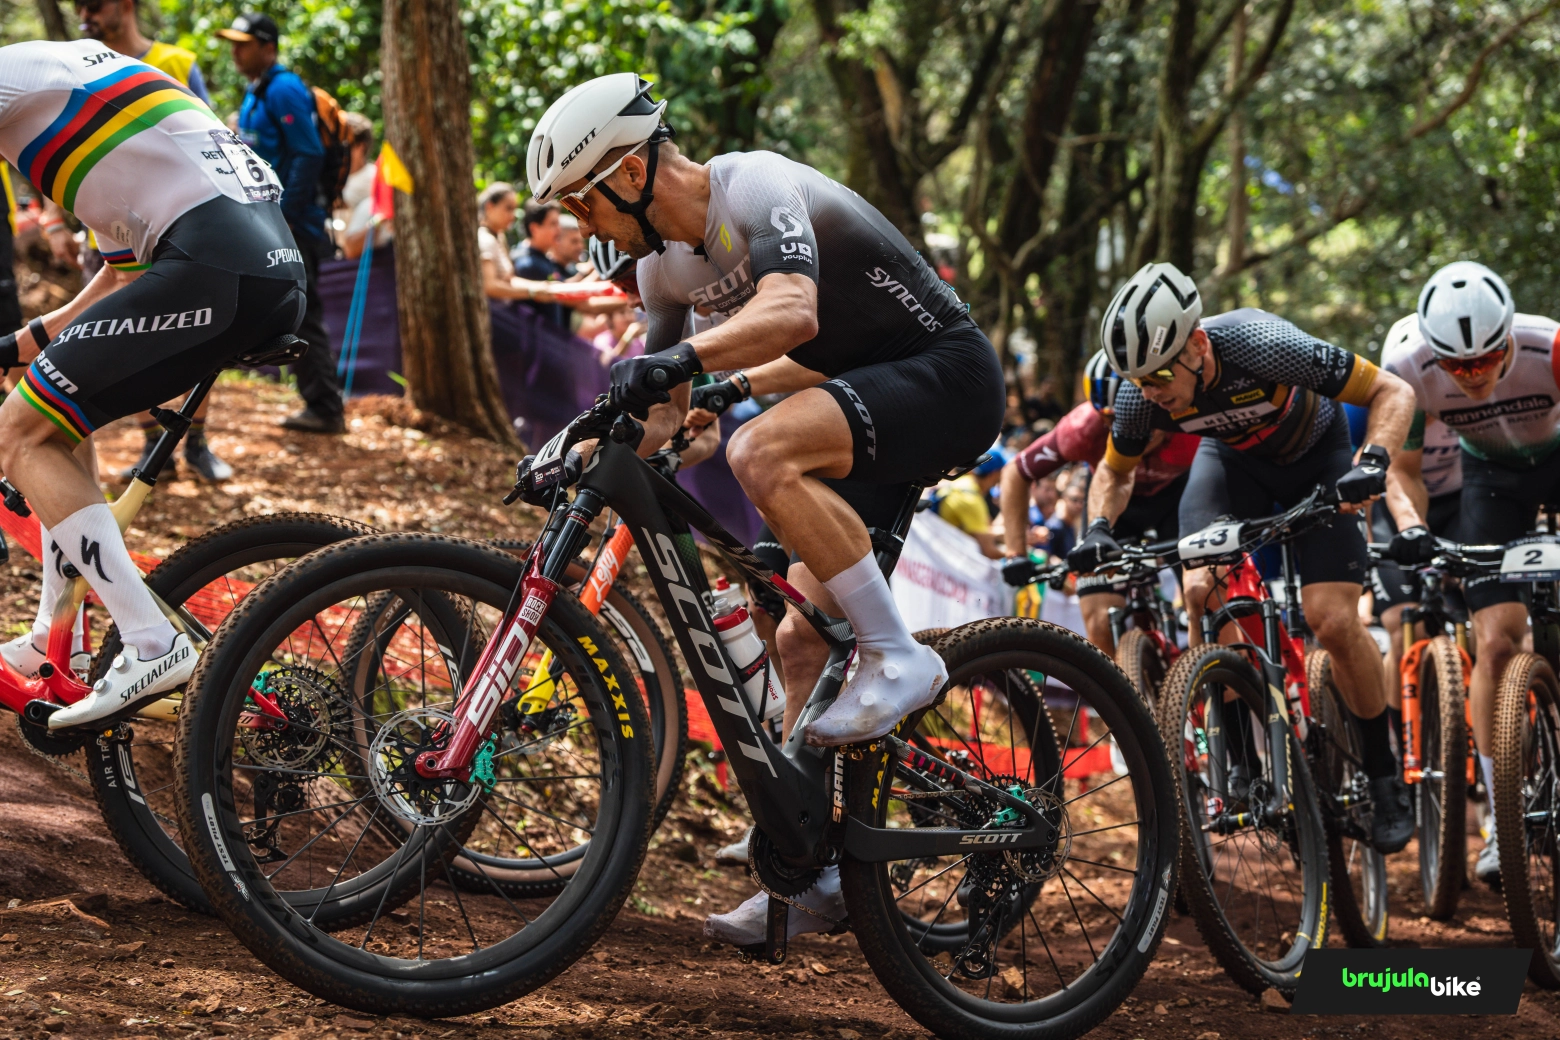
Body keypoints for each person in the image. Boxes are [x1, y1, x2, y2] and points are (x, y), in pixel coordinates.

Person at [526, 73, 1002, 945]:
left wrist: (693, 375)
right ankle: (812, 875)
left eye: (581, 202)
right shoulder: (662, 270)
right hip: (863, 390)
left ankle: (901, 656)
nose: (577, 226)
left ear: (629, 174)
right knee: (799, 638)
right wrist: (576, 449)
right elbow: (654, 405)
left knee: (761, 447)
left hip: (949, 373)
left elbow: (793, 309)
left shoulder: (752, 183)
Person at [0, 38, 306, 728]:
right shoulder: (78, 91)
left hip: (216, 266)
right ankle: (60, 641)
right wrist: (16, 347)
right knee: (54, 414)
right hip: (258, 266)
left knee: (18, 434)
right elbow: (118, 279)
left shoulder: (10, 79)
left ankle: (151, 642)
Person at [1076, 261, 1418, 854]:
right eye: (1138, 379)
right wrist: (1099, 526)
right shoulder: (1140, 395)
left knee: (1332, 620)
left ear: (1198, 344)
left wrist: (1375, 461)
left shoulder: (1265, 345)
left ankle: (1385, 776)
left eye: (1158, 374)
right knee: (1199, 589)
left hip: (1320, 457)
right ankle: (1239, 762)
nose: (1150, 391)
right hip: (1233, 467)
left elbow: (1395, 390)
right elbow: (1113, 470)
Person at [1379, 261, 1560, 886]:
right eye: (1458, 366)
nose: (1474, 374)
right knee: (1497, 639)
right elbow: (1401, 474)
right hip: (1490, 483)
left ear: (1510, 334)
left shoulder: (1551, 345)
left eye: (1487, 357)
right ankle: (1499, 815)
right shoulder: (1409, 367)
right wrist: (1412, 532)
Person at [65, 0, 234, 482]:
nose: (85, 14)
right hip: (110, 224)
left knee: (204, 329)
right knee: (122, 333)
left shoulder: (177, 62)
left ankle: (197, 443)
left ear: (125, 4)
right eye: (79, 6)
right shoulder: (77, 64)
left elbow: (210, 134)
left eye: (93, 4)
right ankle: (152, 443)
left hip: (183, 222)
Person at [999, 351, 1199, 653]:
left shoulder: (1185, 415)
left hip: (1179, 497)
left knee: (1201, 598)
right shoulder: (1082, 428)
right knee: (1099, 620)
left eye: (1135, 417)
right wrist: (1016, 552)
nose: (1123, 430)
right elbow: (1016, 472)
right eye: (1110, 422)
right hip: (1110, 507)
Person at [220, 12, 344, 434]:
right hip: (268, 222)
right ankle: (319, 401)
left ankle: (326, 408)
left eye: (244, 43)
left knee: (302, 313)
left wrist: (285, 218)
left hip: (293, 225)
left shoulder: (285, 88)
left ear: (267, 46)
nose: (235, 51)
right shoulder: (255, 91)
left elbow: (309, 154)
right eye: (232, 43)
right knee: (290, 312)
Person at [475, 182, 557, 305]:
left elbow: (508, 280)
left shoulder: (499, 237)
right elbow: (489, 286)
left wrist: (539, 287)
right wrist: (532, 292)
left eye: (514, 209)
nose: (513, 216)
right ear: (489, 207)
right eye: (508, 208)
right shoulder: (485, 239)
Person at [931, 450, 1006, 557]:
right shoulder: (971, 500)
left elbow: (984, 527)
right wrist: (1021, 553)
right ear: (994, 474)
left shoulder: (962, 483)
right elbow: (990, 552)